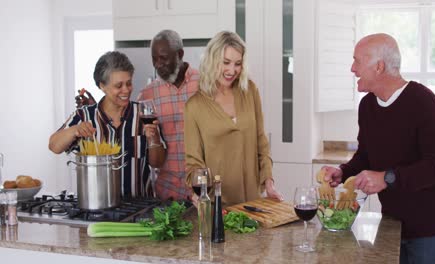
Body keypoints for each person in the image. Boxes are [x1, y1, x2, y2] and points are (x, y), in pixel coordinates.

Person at [321, 33, 435, 264]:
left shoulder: (424, 102)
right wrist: (343, 172)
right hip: (391, 223)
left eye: (357, 61)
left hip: (428, 228)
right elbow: (366, 156)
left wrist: (387, 178)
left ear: (379, 67)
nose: (352, 69)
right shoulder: (368, 105)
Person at [184, 31, 283, 205]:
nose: (232, 70)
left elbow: (261, 142)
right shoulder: (194, 106)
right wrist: (198, 191)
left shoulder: (249, 90)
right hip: (218, 205)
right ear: (212, 60)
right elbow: (194, 163)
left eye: (238, 63)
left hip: (253, 201)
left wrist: (269, 182)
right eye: (226, 62)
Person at [49, 51, 166, 197]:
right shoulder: (84, 115)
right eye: (119, 85)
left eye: (129, 83)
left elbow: (158, 163)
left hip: (138, 209)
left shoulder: (143, 113)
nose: (126, 90)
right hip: (96, 207)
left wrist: (153, 139)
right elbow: (54, 145)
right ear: (102, 86)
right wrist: (75, 130)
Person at [137, 30, 199, 201]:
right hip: (168, 192)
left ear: (180, 54)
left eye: (163, 58)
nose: (157, 64)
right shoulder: (147, 95)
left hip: (203, 190)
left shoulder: (206, 84)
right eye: (154, 59)